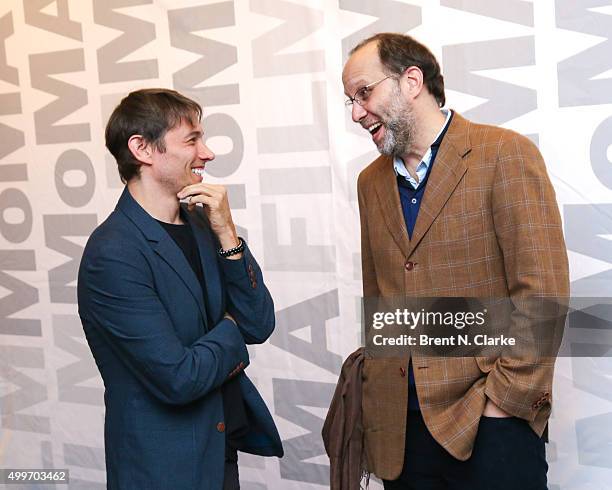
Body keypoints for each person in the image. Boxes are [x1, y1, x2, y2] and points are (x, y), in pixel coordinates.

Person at [342, 33, 569, 489]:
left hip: (490, 424)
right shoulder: (370, 181)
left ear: (411, 81)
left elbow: (543, 292)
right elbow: (381, 298)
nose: (356, 112)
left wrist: (503, 403)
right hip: (399, 435)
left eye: (364, 93)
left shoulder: (503, 153)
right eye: (350, 100)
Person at [77, 88, 283, 490]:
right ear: (143, 149)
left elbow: (258, 324)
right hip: (163, 470)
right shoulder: (113, 252)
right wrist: (230, 326)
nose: (207, 153)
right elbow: (179, 378)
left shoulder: (205, 225)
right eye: (192, 140)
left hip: (219, 452)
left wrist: (227, 231)